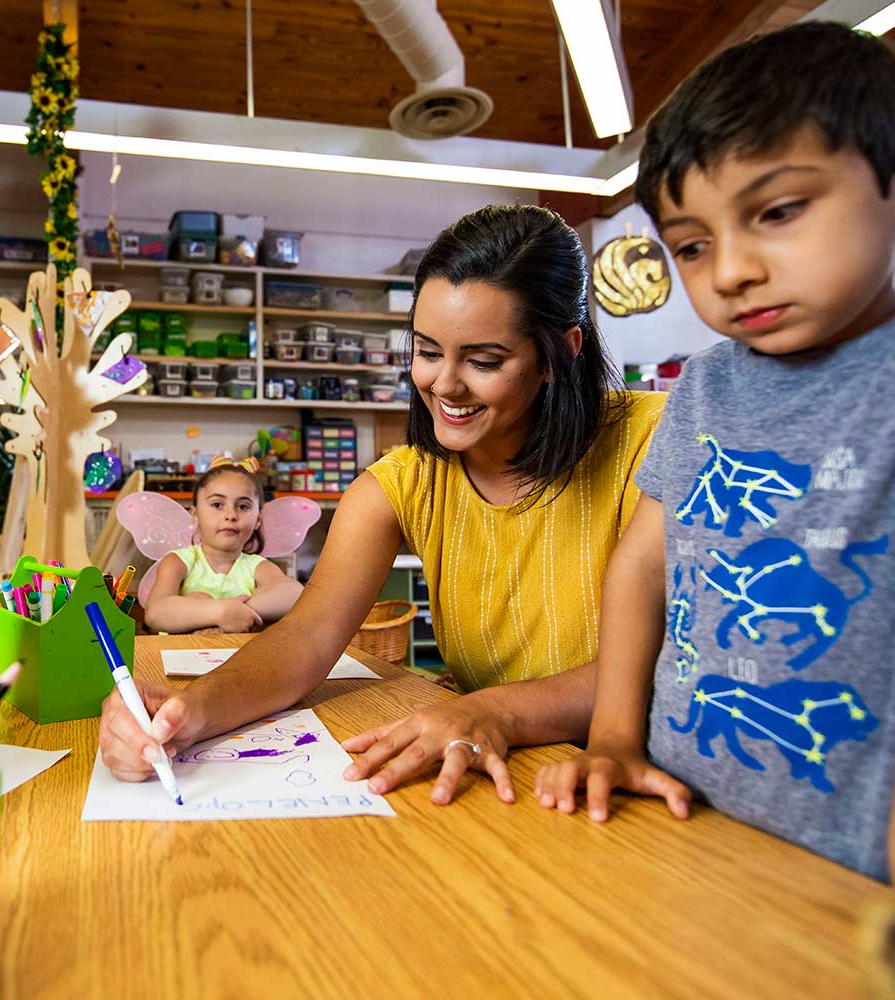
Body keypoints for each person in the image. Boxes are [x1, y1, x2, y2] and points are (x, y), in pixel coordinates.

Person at [534, 22, 895, 886]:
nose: (732, 271)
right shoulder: (707, 386)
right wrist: (611, 740)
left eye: (779, 211)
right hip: (687, 825)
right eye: (692, 244)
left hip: (873, 870)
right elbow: (643, 567)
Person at [100, 205, 665, 803]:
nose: (444, 385)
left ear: (560, 352)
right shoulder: (400, 484)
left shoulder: (652, 445)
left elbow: (668, 664)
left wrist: (497, 711)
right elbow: (307, 639)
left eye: (483, 361)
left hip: (631, 777)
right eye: (427, 351)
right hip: (497, 775)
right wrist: (191, 711)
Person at [142, 457, 305, 634]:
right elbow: (155, 613)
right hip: (182, 656)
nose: (231, 515)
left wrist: (236, 613)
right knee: (196, 598)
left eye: (243, 506)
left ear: (258, 520)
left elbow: (294, 594)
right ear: (195, 515)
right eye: (217, 505)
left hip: (238, 657)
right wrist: (220, 612)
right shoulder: (177, 561)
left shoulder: (256, 566)